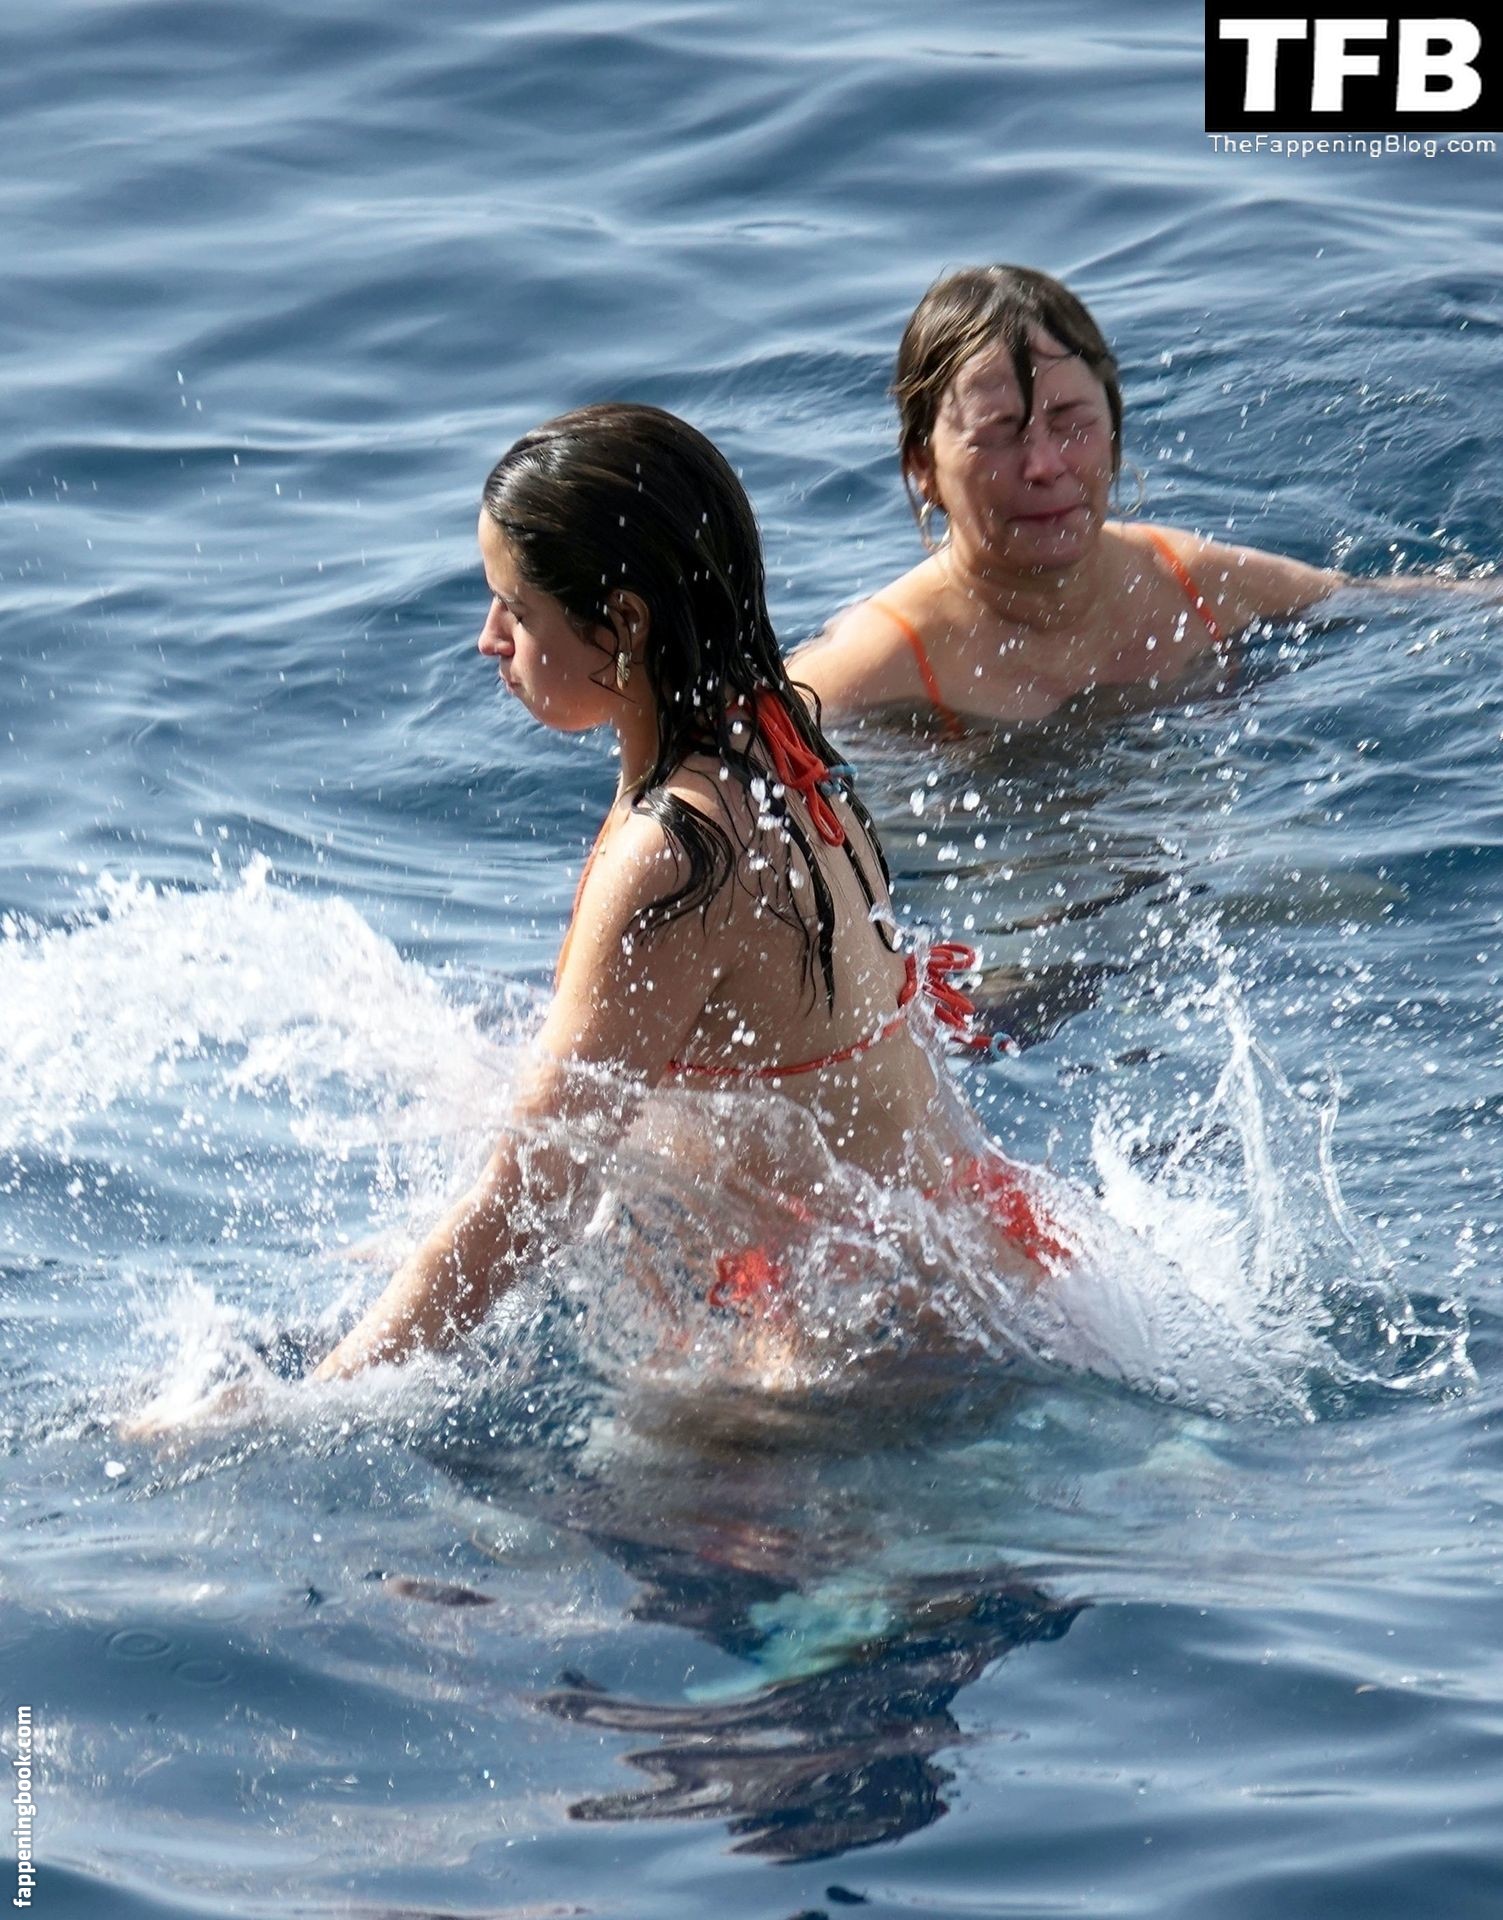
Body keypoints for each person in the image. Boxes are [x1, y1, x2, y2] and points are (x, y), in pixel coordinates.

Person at [311, 404, 1064, 1384]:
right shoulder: (780, 749)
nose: (489, 639)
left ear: (624, 624)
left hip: (874, 1346)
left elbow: (530, 1191)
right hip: (976, 1256)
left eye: (517, 611)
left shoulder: (673, 851)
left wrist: (316, 1395)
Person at [791, 263, 1372, 735]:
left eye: (1071, 423)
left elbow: (1399, 611)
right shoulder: (874, 668)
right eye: (998, 433)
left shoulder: (1200, 586)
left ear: (1115, 434)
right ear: (924, 468)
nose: (1044, 465)